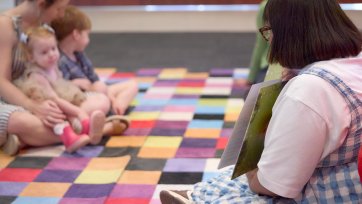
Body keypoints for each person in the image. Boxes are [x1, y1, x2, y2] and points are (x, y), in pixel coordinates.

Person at [160, 0, 362, 203]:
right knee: (234, 177)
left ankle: (199, 198)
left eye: (268, 30)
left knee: (249, 182)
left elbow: (272, 186)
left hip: (327, 193)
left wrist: (251, 164)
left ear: (286, 33)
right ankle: (198, 196)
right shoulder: (353, 63)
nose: (269, 39)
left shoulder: (309, 89)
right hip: (352, 180)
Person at [0, 0, 110, 156]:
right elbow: (1, 82)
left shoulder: (43, 26)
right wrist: (32, 106)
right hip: (9, 99)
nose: (62, 14)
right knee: (21, 121)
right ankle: (99, 129)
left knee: (101, 100)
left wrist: (54, 100)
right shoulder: (5, 25)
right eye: (59, 8)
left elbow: (53, 74)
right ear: (41, 4)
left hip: (43, 93)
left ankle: (25, 139)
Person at [14, 25, 106, 153]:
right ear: (31, 57)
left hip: (59, 100)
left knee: (87, 103)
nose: (52, 54)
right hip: (47, 104)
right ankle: (71, 137)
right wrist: (78, 112)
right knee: (56, 113)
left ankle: (84, 129)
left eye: (53, 48)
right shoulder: (37, 76)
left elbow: (60, 88)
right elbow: (55, 100)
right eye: (44, 52)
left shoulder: (52, 67)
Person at [51, 6, 138, 134]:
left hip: (95, 93)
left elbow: (95, 80)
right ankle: (102, 119)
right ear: (76, 34)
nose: (88, 39)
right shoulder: (59, 60)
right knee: (101, 99)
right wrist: (74, 84)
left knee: (132, 85)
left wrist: (111, 98)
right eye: (87, 34)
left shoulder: (79, 55)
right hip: (80, 101)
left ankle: (115, 110)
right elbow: (58, 89)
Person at [236, 0, 269, 86]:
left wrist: (250, 79)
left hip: (273, 63)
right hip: (299, 66)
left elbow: (261, 44)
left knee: (252, 96)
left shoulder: (265, 7)